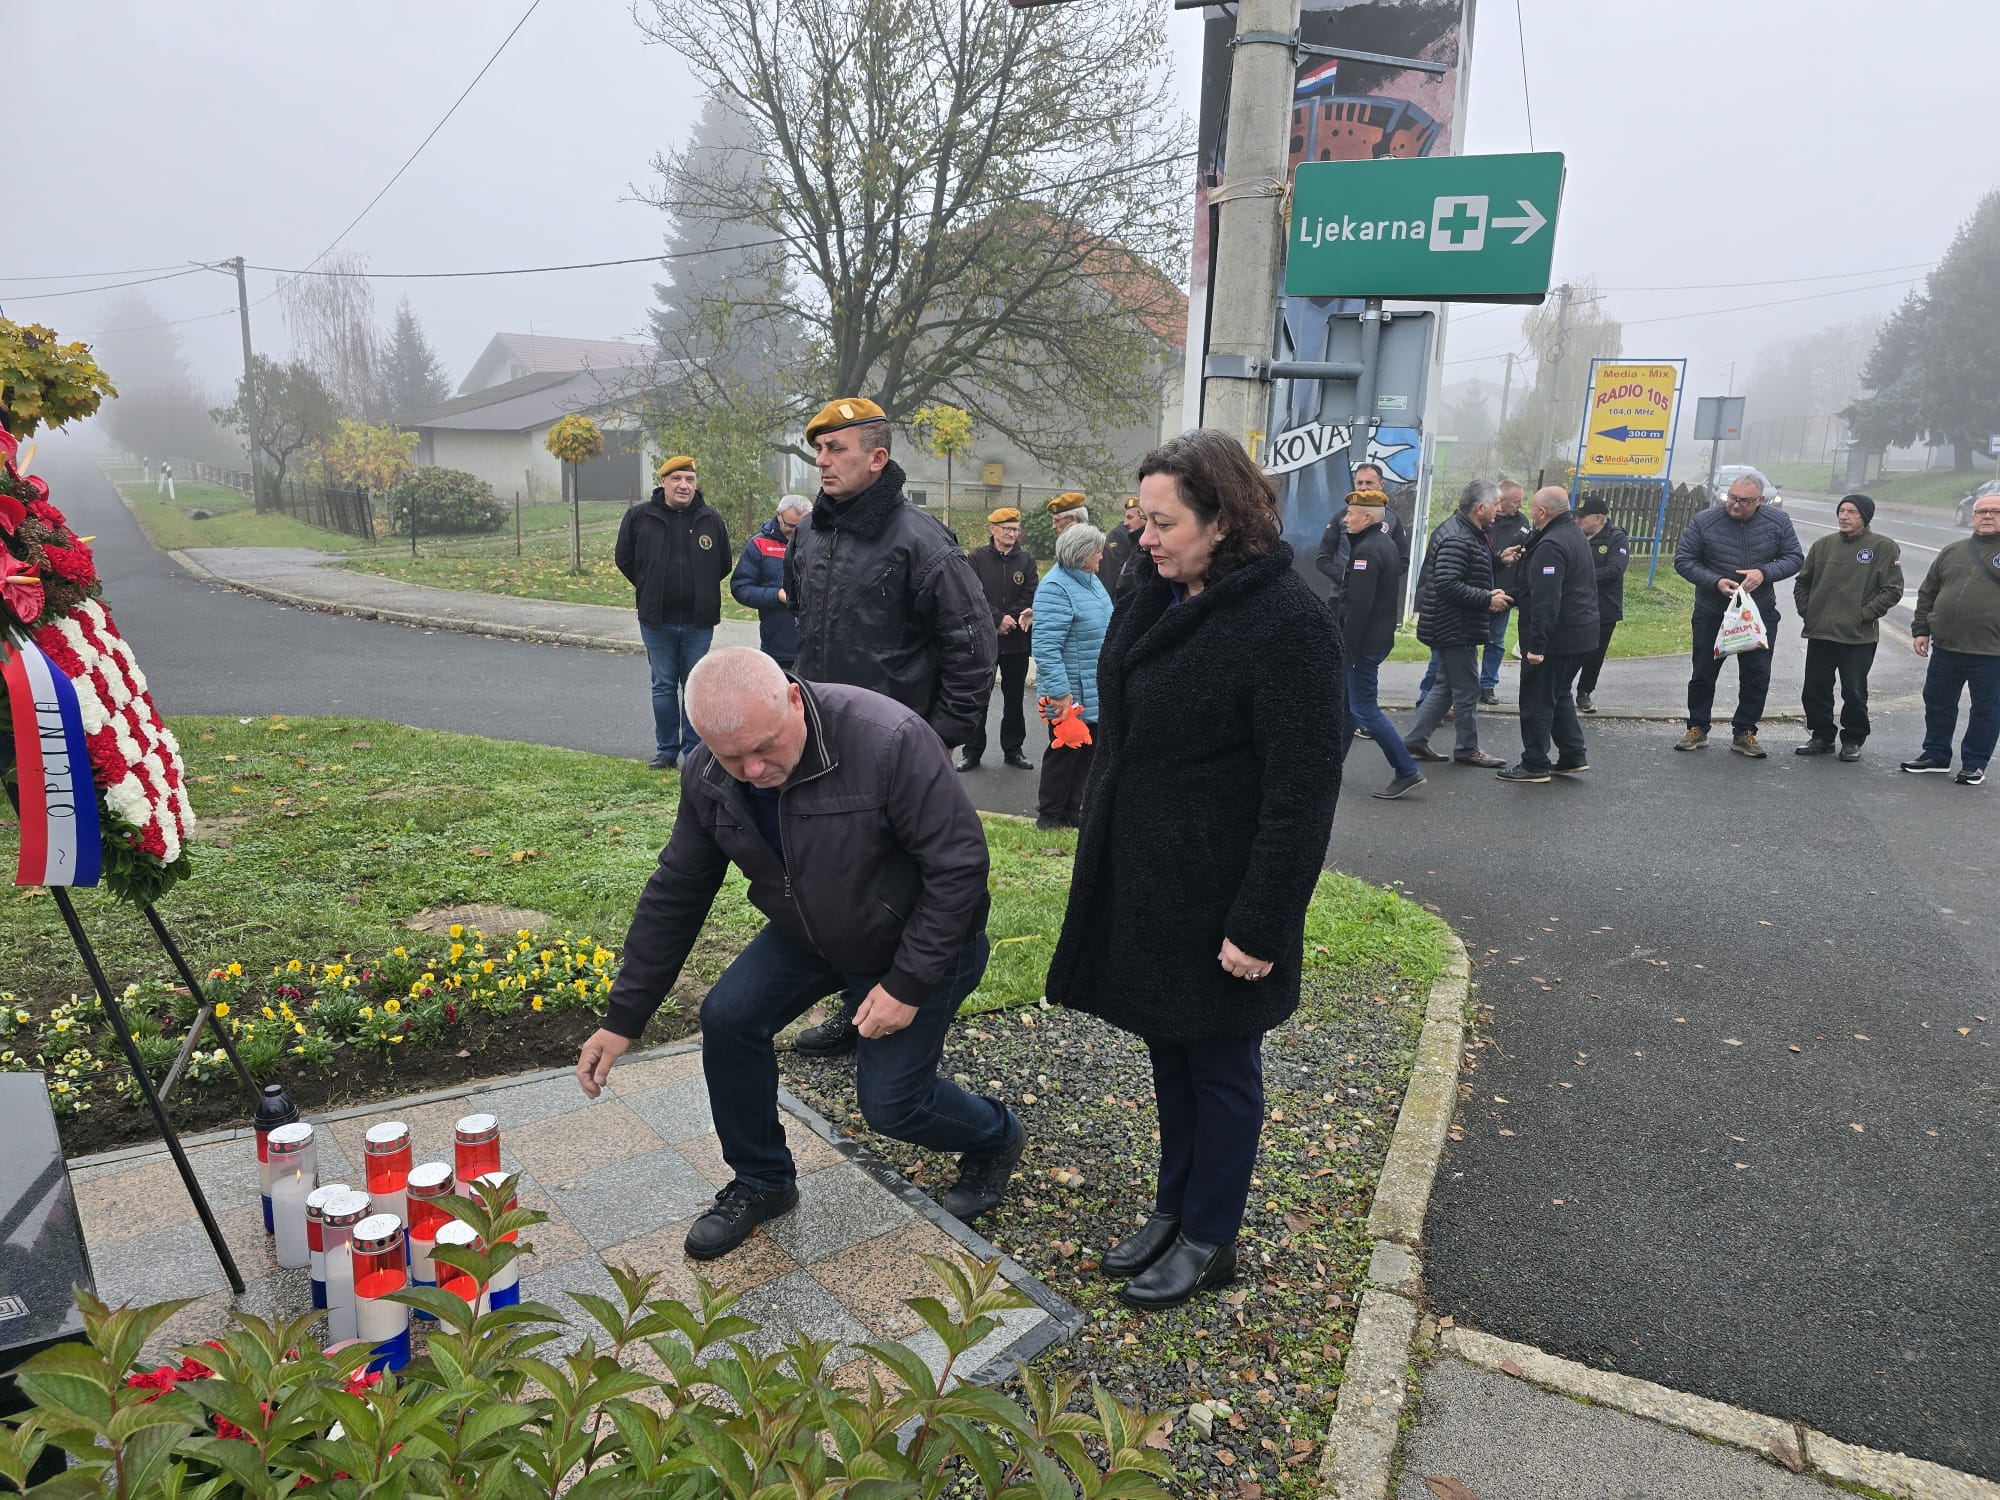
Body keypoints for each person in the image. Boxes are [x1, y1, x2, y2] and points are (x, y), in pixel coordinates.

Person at [575, 649, 1024, 1257]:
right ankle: (762, 1178)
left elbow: (959, 867)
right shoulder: (708, 773)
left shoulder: (886, 740)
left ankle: (994, 1135)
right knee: (728, 1018)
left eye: (764, 748)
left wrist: (907, 984)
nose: (754, 769)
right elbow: (677, 890)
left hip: (916, 944)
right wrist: (623, 1017)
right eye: (732, 758)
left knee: (892, 1105)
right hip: (809, 932)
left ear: (792, 698)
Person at [1046, 430, 1342, 1311]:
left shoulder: (1290, 624)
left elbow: (1302, 795)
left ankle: (1212, 1235)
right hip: (1149, 882)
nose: (1144, 536)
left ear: (1222, 519)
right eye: (1140, 518)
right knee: (1168, 1055)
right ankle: (1173, 1209)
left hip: (1222, 894)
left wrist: (1261, 924)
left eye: (1163, 521)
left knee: (1218, 1066)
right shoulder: (1154, 591)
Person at [785, 397, 999, 1057]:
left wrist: (938, 738)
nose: (823, 461)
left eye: (837, 450)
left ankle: (911, 1005)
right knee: (837, 880)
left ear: (877, 459)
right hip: (821, 744)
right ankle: (855, 1008)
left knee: (905, 879)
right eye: (818, 450)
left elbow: (972, 643)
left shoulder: (920, 539)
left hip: (899, 750)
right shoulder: (810, 534)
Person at [1672, 470, 1804, 757]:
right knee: (1704, 672)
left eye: (1744, 501)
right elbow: (1683, 560)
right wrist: (1714, 581)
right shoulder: (1705, 521)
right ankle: (1697, 727)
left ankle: (1745, 731)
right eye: (1732, 497)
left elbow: (1794, 557)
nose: (1735, 504)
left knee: (1756, 674)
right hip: (1712, 611)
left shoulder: (1777, 521)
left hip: (1758, 613)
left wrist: (1764, 573)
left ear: (1759, 500)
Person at [615, 455, 733, 770]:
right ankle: (666, 751)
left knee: (694, 685)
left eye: (690, 480)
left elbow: (723, 564)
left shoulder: (711, 519)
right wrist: (650, 586)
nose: (684, 485)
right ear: (664, 481)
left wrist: (700, 590)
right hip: (657, 621)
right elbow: (624, 559)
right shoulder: (640, 517)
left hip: (698, 621)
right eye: (677, 479)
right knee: (664, 685)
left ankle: (694, 752)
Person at [1403, 481, 1510, 769]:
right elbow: (1448, 584)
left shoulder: (1470, 532)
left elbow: (1466, 571)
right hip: (1454, 626)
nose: (1500, 508)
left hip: (1453, 623)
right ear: (1480, 507)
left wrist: (1497, 564)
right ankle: (1467, 749)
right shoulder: (1457, 537)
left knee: (1445, 687)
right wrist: (1487, 599)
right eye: (1497, 503)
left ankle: (1413, 740)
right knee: (1467, 690)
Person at [1499, 486, 1599, 783]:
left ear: (1543, 512)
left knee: (1537, 699)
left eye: (1533, 507)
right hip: (1582, 632)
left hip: (1557, 637)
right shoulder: (1573, 534)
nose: (1530, 511)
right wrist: (1511, 595)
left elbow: (1547, 598)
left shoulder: (1551, 544)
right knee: (1558, 694)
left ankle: (1534, 763)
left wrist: (1536, 646)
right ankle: (1572, 755)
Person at [1900, 491, 2000, 784]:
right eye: (1982, 512)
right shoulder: (1953, 551)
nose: (1987, 517)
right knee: (1938, 701)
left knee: (1987, 709)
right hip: (1947, 648)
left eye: (1995, 512)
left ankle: (1975, 762)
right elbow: (1928, 592)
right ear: (1972, 517)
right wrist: (1921, 629)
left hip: (1991, 651)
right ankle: (1936, 754)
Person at [1794, 493, 1903, 761]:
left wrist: (1863, 614)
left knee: (1853, 690)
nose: (1844, 516)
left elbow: (1892, 589)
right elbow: (1803, 582)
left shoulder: (1883, 546)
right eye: (1842, 510)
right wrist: (1808, 611)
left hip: (1858, 636)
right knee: (1815, 687)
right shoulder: (1823, 545)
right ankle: (1821, 735)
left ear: (1865, 517)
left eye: (1852, 511)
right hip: (1821, 631)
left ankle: (1853, 739)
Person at [1340, 490, 1423, 799]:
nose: (1345, 519)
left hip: (1364, 643)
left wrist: (1347, 650)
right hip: (1375, 638)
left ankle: (1407, 770)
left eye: (1351, 514)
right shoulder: (1382, 543)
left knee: (1363, 709)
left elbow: (1359, 607)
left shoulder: (1366, 551)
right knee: (1348, 707)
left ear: (1368, 517)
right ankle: (1332, 766)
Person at [1029, 523, 1113, 829]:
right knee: (1064, 754)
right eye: (1097, 550)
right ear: (1081, 554)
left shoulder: (1090, 580)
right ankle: (1049, 815)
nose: (1102, 555)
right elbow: (1046, 647)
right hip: (1070, 693)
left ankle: (1073, 810)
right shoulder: (1056, 587)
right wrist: (1061, 695)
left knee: (1088, 752)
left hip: (1093, 688)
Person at [961, 507, 1039, 773]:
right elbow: (972, 593)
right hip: (986, 640)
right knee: (979, 698)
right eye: (1006, 528)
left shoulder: (1026, 559)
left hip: (1016, 641)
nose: (1011, 533)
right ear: (992, 529)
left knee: (1015, 699)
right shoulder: (977, 558)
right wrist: (996, 619)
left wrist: (1011, 617)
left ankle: (1013, 750)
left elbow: (1030, 592)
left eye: (1015, 529)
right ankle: (972, 752)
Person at [730, 495, 809, 669]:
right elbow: (740, 588)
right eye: (789, 525)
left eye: (801, 526)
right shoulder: (759, 544)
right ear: (778, 515)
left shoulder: (819, 542)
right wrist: (776, 595)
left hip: (815, 649)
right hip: (778, 646)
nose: (795, 532)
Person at [1574, 496, 1630, 712]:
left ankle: (1584, 692)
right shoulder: (1576, 535)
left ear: (1598, 518)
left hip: (1605, 606)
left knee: (1595, 653)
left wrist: (1579, 577)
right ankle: (1559, 689)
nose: (1578, 519)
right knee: (1572, 649)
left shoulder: (1616, 538)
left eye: (1583, 516)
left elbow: (1615, 570)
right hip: (1576, 604)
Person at [1099, 495, 1148, 601]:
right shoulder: (1133, 541)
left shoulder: (1146, 546)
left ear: (1145, 517)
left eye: (1130, 518)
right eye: (1125, 518)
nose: (1125, 523)